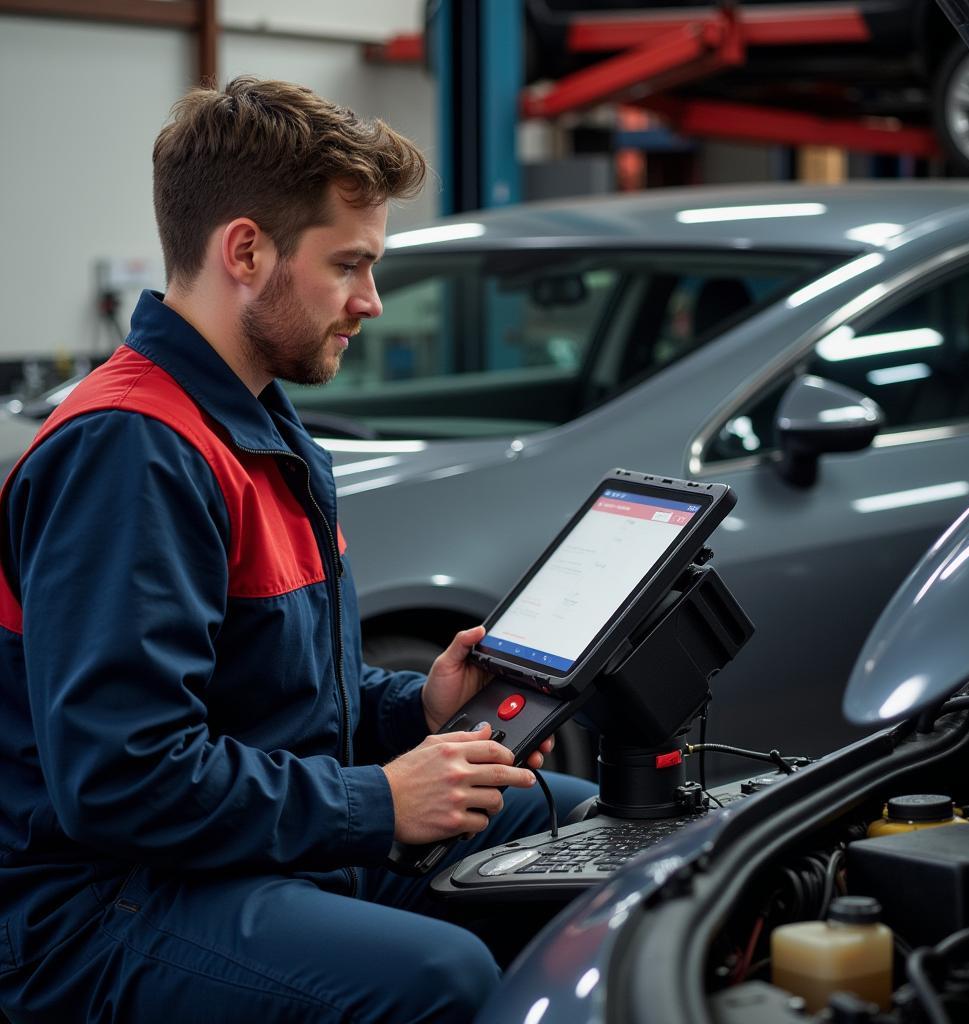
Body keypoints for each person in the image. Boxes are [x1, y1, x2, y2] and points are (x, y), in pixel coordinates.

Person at [0, 77, 595, 1023]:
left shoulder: (258, 425)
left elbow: (270, 702)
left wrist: (416, 711)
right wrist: (378, 801)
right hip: (99, 903)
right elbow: (119, 779)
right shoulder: (132, 450)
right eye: (350, 265)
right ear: (246, 250)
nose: (372, 302)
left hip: (230, 850)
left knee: (580, 826)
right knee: (439, 978)